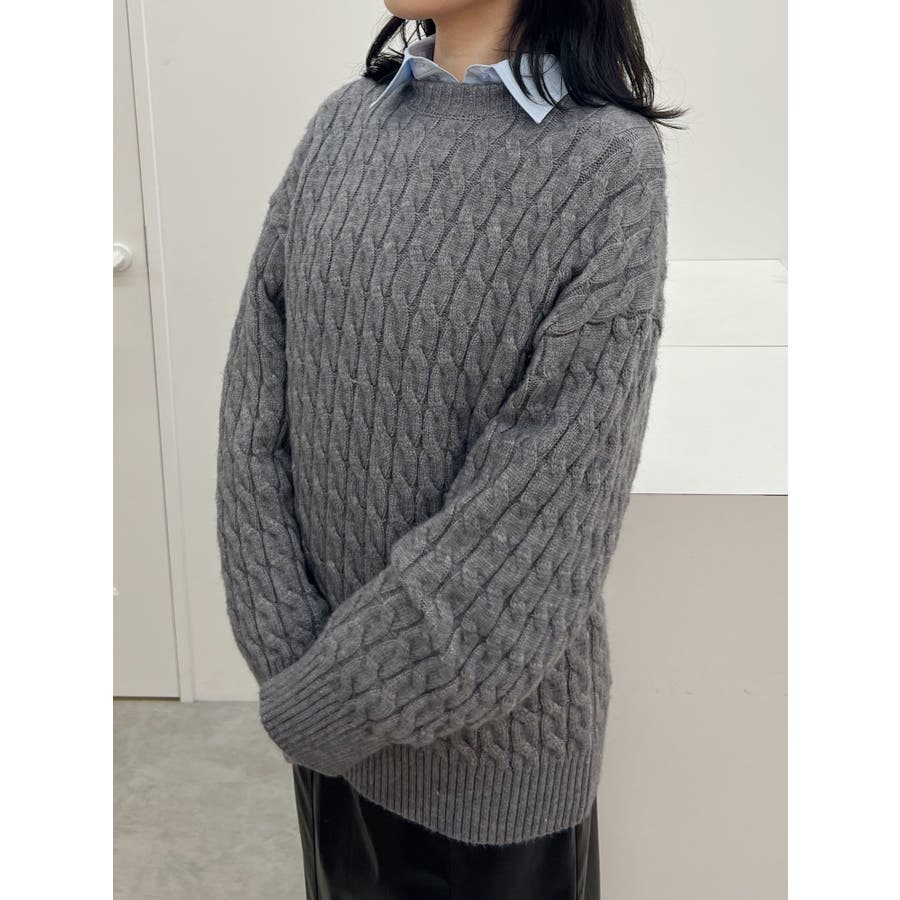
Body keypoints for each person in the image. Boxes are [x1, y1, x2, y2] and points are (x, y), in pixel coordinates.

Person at [216, 2, 684, 897]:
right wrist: (287, 655)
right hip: (327, 738)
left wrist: (331, 696)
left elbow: (541, 526)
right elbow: (254, 407)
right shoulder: (342, 124)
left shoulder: (607, 164)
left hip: (490, 785)